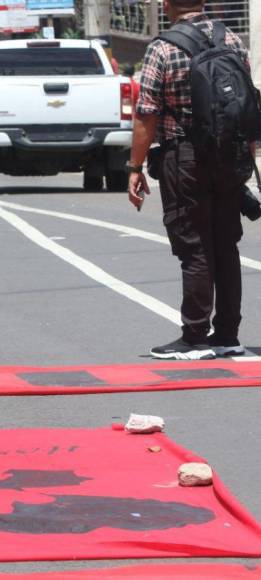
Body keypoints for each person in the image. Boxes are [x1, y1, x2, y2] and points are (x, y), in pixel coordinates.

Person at [128, 0, 255, 360]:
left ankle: (195, 336)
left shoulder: (163, 47)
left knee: (194, 244)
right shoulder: (230, 39)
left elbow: (147, 113)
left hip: (184, 157)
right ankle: (228, 333)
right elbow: (244, 102)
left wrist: (134, 167)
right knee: (226, 243)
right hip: (229, 156)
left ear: (167, 4)